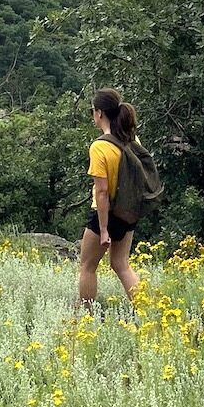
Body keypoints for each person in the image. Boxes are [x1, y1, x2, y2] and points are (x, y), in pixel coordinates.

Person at [78, 88, 141, 305]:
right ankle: (146, 309)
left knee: (87, 266)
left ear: (100, 113)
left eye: (93, 111)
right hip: (128, 212)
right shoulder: (132, 140)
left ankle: (87, 318)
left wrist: (104, 229)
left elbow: (102, 192)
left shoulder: (100, 147)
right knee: (121, 264)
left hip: (106, 214)